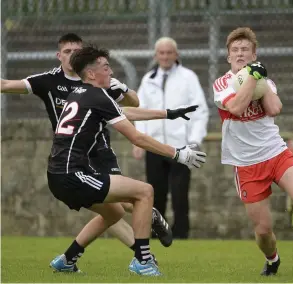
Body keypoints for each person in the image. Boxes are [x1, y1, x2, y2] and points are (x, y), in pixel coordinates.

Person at [0, 33, 178, 268]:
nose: (72, 55)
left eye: (76, 51)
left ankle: (72, 258)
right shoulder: (50, 81)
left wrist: (133, 94)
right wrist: (176, 151)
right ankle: (143, 253)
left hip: (100, 152)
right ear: (59, 56)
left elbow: (131, 106)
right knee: (130, 200)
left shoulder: (100, 81)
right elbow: (5, 85)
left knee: (116, 210)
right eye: (67, 52)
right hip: (71, 158)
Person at [47, 44, 206, 276]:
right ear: (91, 73)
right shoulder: (98, 96)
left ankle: (67, 260)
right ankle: (142, 260)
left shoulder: (80, 93)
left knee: (114, 213)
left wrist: (167, 113)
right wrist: (178, 153)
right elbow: (137, 137)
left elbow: (126, 112)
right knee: (144, 192)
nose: (110, 72)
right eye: (105, 67)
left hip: (59, 175)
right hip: (73, 175)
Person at [213, 27, 293, 276]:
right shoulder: (222, 83)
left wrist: (260, 81)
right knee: (263, 230)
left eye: (245, 50)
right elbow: (237, 108)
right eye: (235, 50)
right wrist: (250, 79)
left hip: (275, 152)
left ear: (254, 54)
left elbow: (274, 108)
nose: (240, 54)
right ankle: (273, 260)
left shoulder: (265, 81)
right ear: (228, 56)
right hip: (246, 163)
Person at [133, 37, 209, 239]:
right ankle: (158, 234)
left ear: (176, 55)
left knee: (180, 195)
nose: (165, 56)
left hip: (181, 148)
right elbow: (140, 112)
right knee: (155, 194)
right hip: (154, 146)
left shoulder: (188, 77)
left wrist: (194, 141)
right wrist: (139, 139)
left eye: (169, 53)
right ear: (156, 55)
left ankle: (181, 235)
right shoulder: (148, 79)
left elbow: (200, 111)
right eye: (161, 53)